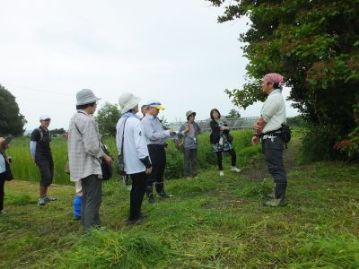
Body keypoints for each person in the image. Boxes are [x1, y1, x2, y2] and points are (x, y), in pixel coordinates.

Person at [67, 89, 112, 232]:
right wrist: (105, 156)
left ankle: (93, 225)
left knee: (86, 197)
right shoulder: (87, 120)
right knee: (94, 198)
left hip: (79, 166)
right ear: (89, 104)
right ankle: (90, 231)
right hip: (89, 166)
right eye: (95, 103)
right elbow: (92, 147)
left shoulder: (74, 118)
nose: (96, 106)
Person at [251, 73, 287, 207]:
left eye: (263, 82)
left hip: (273, 138)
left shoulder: (274, 98)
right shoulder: (275, 97)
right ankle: (277, 194)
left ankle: (279, 199)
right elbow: (265, 121)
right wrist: (258, 135)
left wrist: (255, 130)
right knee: (274, 167)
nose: (261, 84)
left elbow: (262, 121)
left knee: (276, 168)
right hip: (271, 137)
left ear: (271, 84)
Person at [116, 93, 153, 224]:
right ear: (132, 105)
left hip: (127, 162)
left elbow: (119, 144)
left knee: (135, 188)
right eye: (135, 103)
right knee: (139, 188)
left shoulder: (121, 121)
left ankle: (135, 213)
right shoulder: (135, 121)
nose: (138, 105)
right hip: (138, 162)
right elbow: (140, 145)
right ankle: (134, 217)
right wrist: (147, 163)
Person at [141, 101, 176, 203]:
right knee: (153, 171)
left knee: (161, 170)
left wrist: (170, 134)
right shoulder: (145, 121)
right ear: (150, 108)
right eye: (157, 109)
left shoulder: (156, 120)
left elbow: (161, 134)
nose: (158, 111)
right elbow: (152, 136)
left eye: (159, 109)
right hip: (151, 148)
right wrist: (166, 132)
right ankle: (150, 196)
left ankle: (161, 192)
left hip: (160, 147)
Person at [30, 115, 56, 206]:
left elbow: (49, 145)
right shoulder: (36, 132)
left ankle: (45, 196)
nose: (47, 122)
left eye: (49, 120)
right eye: (45, 120)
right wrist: (34, 158)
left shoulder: (47, 131)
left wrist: (51, 156)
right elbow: (32, 146)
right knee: (46, 176)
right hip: (40, 157)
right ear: (40, 121)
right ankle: (41, 198)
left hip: (48, 156)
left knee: (50, 176)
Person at [209, 109, 241, 177]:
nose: (215, 114)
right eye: (213, 113)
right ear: (212, 115)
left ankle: (233, 167)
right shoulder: (212, 122)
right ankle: (221, 171)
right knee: (219, 157)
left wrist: (225, 128)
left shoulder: (222, 121)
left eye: (216, 112)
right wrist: (224, 127)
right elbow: (216, 128)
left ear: (218, 113)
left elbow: (228, 129)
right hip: (217, 141)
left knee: (233, 153)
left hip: (225, 140)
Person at [178, 111, 201, 179]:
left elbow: (199, 131)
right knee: (186, 161)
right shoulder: (184, 125)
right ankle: (187, 175)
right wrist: (185, 131)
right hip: (186, 145)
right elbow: (179, 134)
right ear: (188, 117)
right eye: (191, 116)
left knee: (194, 160)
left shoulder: (195, 124)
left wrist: (195, 136)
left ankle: (195, 174)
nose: (192, 117)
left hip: (194, 144)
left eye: (193, 116)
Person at [0, 136, 13, 215]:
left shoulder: (2, 153)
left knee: (1, 191)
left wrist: (7, 159)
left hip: (2, 173)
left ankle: (1, 209)